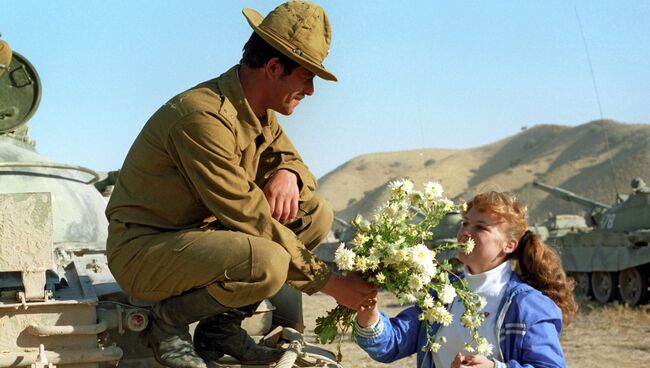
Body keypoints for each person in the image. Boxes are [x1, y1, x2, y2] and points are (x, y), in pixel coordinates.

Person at [105, 2, 376, 368]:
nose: (311, 90)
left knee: (314, 214)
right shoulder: (204, 118)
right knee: (268, 260)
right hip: (145, 251)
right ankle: (166, 324)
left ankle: (220, 328)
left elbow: (295, 163)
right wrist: (330, 284)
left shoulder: (258, 113)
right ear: (274, 67)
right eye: (307, 76)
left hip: (200, 241)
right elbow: (251, 218)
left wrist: (288, 174)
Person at [355, 191, 578, 368]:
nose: (464, 233)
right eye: (465, 223)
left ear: (509, 245)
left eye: (480, 227)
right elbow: (392, 343)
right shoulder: (441, 294)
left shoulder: (528, 305)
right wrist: (369, 314)